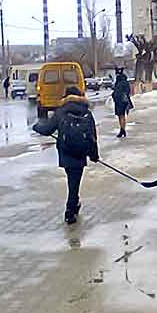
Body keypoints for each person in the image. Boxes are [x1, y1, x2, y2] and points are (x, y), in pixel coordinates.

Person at [33, 86, 99, 224]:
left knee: (72, 180)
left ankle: (72, 207)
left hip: (66, 152)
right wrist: (94, 155)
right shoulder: (86, 112)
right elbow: (92, 136)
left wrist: (36, 126)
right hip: (81, 152)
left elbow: (46, 129)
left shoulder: (61, 112)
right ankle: (71, 208)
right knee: (75, 181)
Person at [112, 68, 133, 138]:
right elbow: (128, 91)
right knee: (122, 115)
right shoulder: (125, 81)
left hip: (119, 101)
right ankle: (122, 129)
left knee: (120, 115)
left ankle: (122, 130)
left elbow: (116, 91)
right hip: (124, 101)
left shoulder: (118, 82)